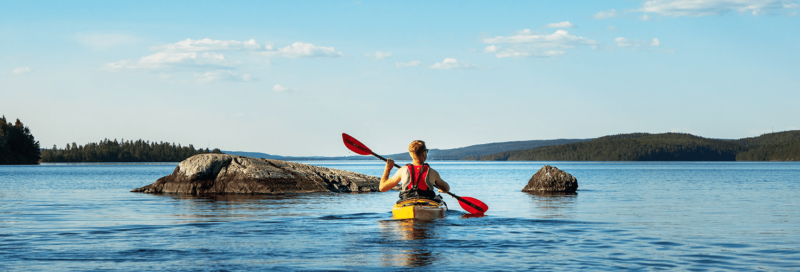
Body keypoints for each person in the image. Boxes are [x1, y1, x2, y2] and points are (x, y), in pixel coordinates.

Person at [379, 140, 450, 201]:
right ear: (424, 153)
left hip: (407, 202)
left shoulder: (402, 171)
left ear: (411, 154)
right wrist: (442, 189)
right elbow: (446, 188)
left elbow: (382, 188)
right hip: (426, 203)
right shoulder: (432, 172)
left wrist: (388, 169)